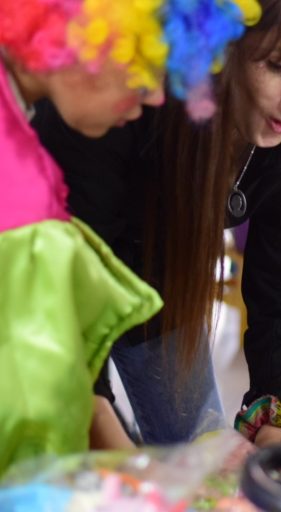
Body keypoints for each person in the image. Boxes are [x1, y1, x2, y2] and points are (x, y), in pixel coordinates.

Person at [34, 0, 281, 448]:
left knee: (199, 456)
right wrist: (105, 437)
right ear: (217, 45)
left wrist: (277, 421)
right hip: (43, 284)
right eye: (279, 64)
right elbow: (57, 294)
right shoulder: (125, 92)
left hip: (162, 279)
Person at [0, 0, 172, 473]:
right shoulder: (21, 198)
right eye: (142, 63)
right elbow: (32, 431)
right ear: (76, 32)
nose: (156, 96)